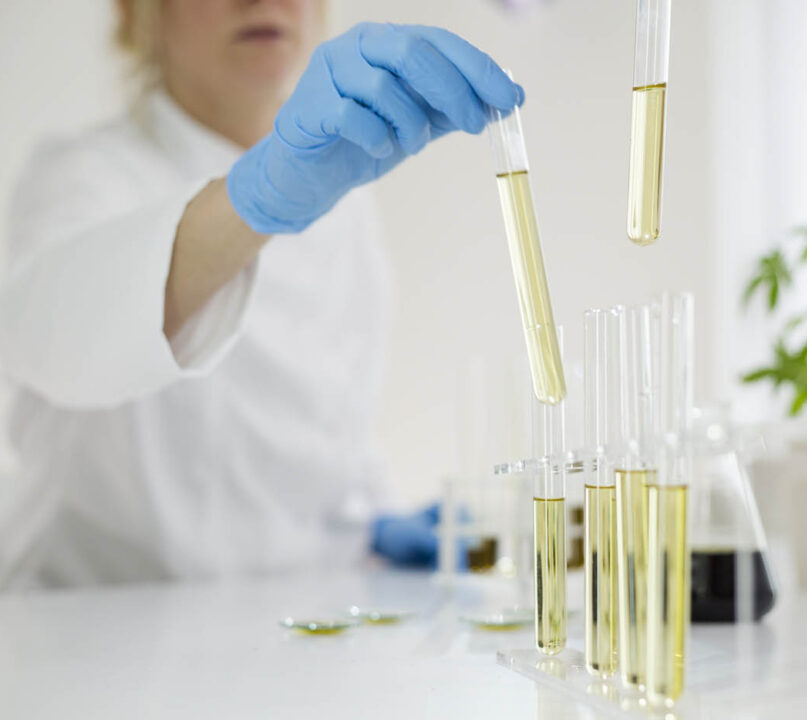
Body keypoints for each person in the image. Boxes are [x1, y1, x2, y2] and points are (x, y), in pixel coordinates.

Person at [0, 0, 523, 589]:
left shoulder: (344, 200)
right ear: (138, 14)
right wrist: (257, 198)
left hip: (281, 626)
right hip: (92, 628)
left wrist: (368, 526)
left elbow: (329, 433)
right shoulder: (84, 175)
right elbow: (54, 339)